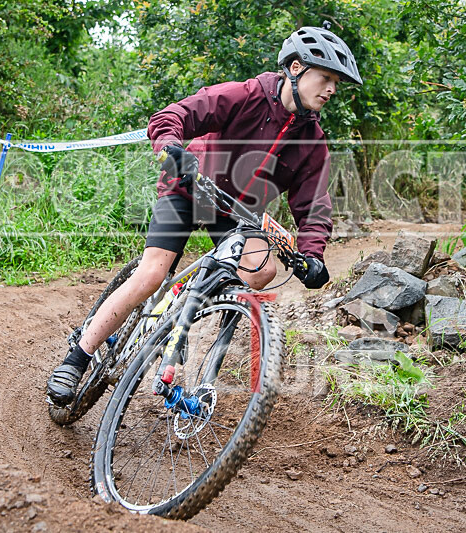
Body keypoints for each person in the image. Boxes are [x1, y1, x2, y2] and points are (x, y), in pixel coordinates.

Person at [47, 24, 362, 407]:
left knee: (262, 270)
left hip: (237, 213)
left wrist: (312, 254)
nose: (331, 90)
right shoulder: (245, 95)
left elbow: (313, 203)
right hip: (189, 187)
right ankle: (78, 356)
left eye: (336, 83)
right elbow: (174, 115)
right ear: (295, 69)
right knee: (151, 274)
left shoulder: (312, 141)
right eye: (326, 78)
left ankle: (187, 307)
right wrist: (171, 149)